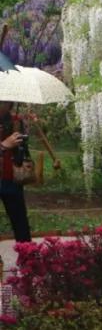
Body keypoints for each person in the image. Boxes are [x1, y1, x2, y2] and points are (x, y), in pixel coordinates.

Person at [0, 102, 32, 242]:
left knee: (20, 224)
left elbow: (24, 151)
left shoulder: (16, 121)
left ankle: (28, 259)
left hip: (11, 177)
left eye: (5, 101)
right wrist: (3, 145)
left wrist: (21, 142)